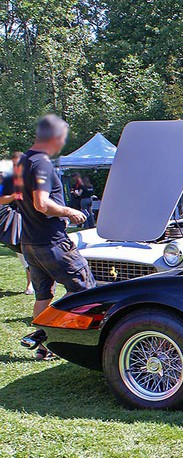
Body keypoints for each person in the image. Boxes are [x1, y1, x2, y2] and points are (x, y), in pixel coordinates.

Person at [19, 115, 96, 360]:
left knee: (44, 294)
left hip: (30, 242)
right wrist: (69, 211)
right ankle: (65, 339)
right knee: (85, 288)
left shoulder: (21, 162)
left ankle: (41, 347)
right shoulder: (41, 164)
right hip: (51, 242)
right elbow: (42, 204)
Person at [0, 152, 33, 294]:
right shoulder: (8, 180)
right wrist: (14, 196)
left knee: (31, 252)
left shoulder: (33, 178)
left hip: (32, 219)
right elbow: (2, 199)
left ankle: (33, 283)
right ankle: (30, 284)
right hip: (16, 219)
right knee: (21, 250)